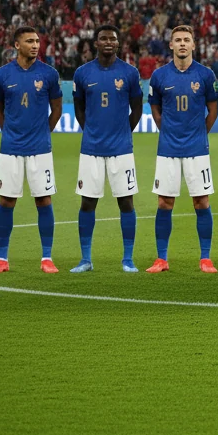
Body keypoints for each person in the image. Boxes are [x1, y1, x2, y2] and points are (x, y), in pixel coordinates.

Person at [0, 26, 62, 274]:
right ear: (17, 45)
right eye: (30, 41)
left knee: (43, 199)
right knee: (7, 200)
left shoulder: (49, 74)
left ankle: (47, 258)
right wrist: (9, 131)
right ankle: (2, 259)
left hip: (40, 149)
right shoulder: (2, 74)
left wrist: (43, 132)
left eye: (38, 41)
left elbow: (57, 109)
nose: (35, 45)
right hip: (11, 148)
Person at [145, 26, 218, 273]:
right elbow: (155, 108)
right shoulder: (159, 76)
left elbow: (213, 111)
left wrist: (199, 134)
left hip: (197, 149)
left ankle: (205, 258)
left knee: (201, 201)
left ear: (193, 45)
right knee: (165, 202)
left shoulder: (206, 75)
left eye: (187, 40)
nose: (182, 44)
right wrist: (165, 128)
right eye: (177, 40)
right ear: (171, 45)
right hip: (168, 148)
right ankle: (161, 259)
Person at [71, 25, 143, 273]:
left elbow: (137, 108)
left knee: (126, 203)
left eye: (113, 38)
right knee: (87, 204)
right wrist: (90, 130)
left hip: (121, 150)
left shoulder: (130, 73)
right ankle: (85, 259)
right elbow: (78, 106)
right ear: (96, 43)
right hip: (91, 149)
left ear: (119, 43)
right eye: (104, 38)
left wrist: (123, 131)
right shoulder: (82, 73)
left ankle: (128, 259)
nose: (109, 42)